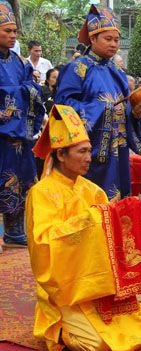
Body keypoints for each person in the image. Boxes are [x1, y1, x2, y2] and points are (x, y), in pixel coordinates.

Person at [27, 105, 141, 351]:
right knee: (95, 344)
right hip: (67, 288)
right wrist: (92, 220)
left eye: (88, 151)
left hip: (99, 282)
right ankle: (57, 323)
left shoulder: (94, 190)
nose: (89, 157)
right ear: (61, 155)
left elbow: (111, 237)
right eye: (82, 151)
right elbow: (43, 244)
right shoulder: (41, 193)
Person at [55, 4, 141, 201]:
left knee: (119, 202)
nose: (114, 44)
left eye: (116, 40)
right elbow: (63, 105)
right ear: (92, 38)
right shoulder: (77, 68)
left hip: (119, 148)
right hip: (91, 149)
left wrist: (135, 113)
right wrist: (104, 109)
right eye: (108, 39)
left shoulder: (118, 72)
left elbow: (126, 105)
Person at [0, 0, 45, 249]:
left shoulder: (18, 61)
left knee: (21, 181)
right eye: (8, 30)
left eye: (15, 31)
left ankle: (14, 230)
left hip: (20, 135)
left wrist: (27, 89)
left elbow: (32, 87)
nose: (13, 35)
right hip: (1, 134)